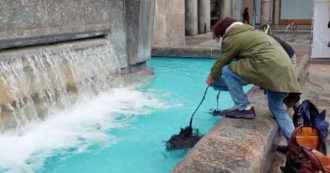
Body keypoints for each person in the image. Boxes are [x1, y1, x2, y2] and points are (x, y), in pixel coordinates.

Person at [206, 17, 301, 142]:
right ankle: (298, 147)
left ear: (223, 31)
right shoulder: (253, 32)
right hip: (284, 72)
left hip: (267, 68)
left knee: (227, 71)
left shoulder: (233, 37)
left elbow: (223, 61)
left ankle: (244, 108)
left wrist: (212, 76)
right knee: (278, 110)